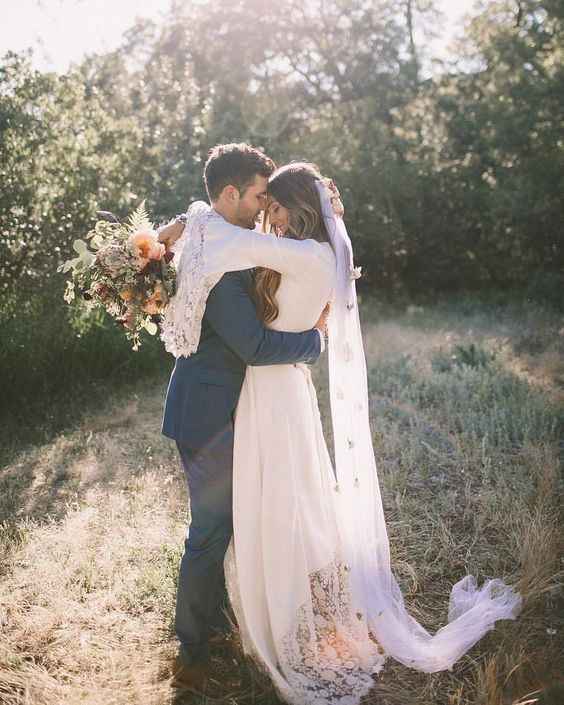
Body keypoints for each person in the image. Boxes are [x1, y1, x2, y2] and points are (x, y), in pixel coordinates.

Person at [159, 158, 522, 705]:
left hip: (267, 396)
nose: (265, 213)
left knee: (261, 514)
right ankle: (207, 639)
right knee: (237, 520)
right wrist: (191, 221)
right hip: (244, 402)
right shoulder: (287, 252)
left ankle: (252, 622)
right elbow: (246, 291)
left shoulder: (287, 252)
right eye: (261, 199)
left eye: (273, 203)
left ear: (297, 208)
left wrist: (186, 223)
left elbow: (240, 274)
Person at [158, 144, 330, 692]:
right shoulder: (225, 271)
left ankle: (218, 622)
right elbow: (254, 346)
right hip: (208, 413)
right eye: (259, 195)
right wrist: (315, 341)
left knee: (229, 523)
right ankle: (190, 651)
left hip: (211, 406)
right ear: (230, 194)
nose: (263, 206)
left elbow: (197, 213)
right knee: (210, 531)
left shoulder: (213, 233)